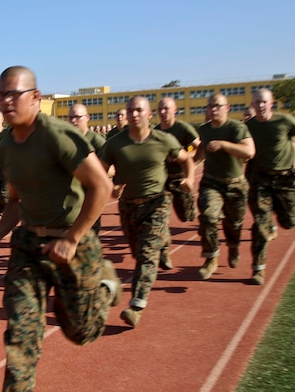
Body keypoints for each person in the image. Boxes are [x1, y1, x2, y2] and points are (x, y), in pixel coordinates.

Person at [0, 66, 121, 392]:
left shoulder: (58, 135)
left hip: (72, 242)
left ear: (35, 96)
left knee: (82, 333)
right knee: (21, 333)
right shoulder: (6, 146)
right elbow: (15, 200)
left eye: (14, 94)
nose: (6, 102)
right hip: (28, 246)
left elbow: (101, 186)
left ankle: (104, 286)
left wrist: (74, 237)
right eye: (0, 95)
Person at [100, 96, 194, 328]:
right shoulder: (114, 143)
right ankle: (162, 242)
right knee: (136, 250)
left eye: (139, 110)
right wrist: (111, 188)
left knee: (146, 254)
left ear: (149, 114)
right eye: (130, 110)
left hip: (157, 202)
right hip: (128, 205)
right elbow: (100, 172)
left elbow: (186, 160)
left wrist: (189, 178)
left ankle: (137, 305)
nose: (133, 114)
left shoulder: (164, 139)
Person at [244, 88, 295, 285]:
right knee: (260, 224)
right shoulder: (247, 126)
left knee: (290, 221)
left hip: (285, 180)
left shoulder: (284, 120)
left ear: (271, 103)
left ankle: (274, 214)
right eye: (257, 102)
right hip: (260, 180)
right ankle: (258, 269)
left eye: (264, 102)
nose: (260, 106)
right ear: (253, 105)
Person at [194, 94, 255, 279]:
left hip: (235, 184)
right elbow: (199, 155)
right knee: (208, 217)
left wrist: (223, 145)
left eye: (218, 106)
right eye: (210, 106)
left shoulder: (237, 127)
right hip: (211, 182)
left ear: (227, 108)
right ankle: (211, 257)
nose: (213, 109)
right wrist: (184, 168)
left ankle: (233, 246)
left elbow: (249, 151)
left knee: (234, 223)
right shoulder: (204, 129)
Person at [156, 98, 200, 270]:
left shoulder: (183, 128)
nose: (163, 112)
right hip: (163, 180)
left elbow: (199, 147)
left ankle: (192, 209)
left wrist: (189, 163)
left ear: (175, 110)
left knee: (186, 216)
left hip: (180, 178)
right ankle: (164, 251)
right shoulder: (156, 131)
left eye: (166, 108)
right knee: (161, 217)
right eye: (160, 109)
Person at [67, 103, 107, 234]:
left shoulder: (96, 141)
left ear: (87, 118)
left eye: (77, 117)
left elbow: (111, 167)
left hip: (90, 197)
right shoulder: (66, 140)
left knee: (89, 237)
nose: (73, 121)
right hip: (70, 198)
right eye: (70, 117)